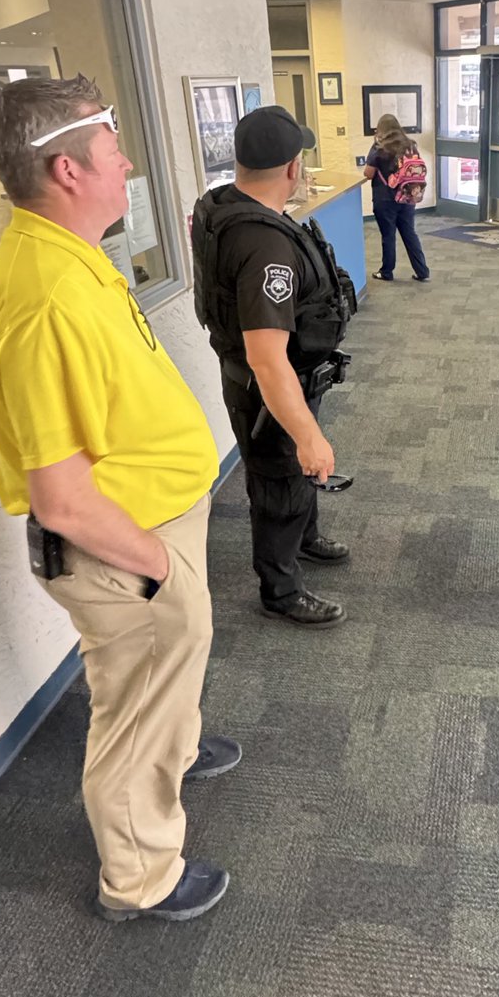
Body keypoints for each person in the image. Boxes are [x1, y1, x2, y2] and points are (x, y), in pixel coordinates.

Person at [0, 75, 238, 923]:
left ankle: (179, 745)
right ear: (66, 169)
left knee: (155, 688)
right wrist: (163, 568)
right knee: (131, 722)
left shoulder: (72, 254)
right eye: (113, 151)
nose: (127, 164)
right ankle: (139, 879)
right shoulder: (43, 297)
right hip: (122, 547)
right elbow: (62, 500)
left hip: (148, 524)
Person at [190, 105, 352, 628]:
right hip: (268, 386)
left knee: (294, 473)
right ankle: (280, 590)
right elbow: (266, 357)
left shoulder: (225, 204)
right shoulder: (264, 246)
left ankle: (304, 538)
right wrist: (307, 433)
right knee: (280, 478)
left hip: (280, 379)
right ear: (292, 168)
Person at [365, 113, 429, 282]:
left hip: (385, 198)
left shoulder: (379, 147)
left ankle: (387, 272)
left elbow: (368, 173)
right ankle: (422, 271)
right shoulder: (410, 145)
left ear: (381, 129)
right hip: (408, 197)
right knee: (409, 233)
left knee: (388, 236)